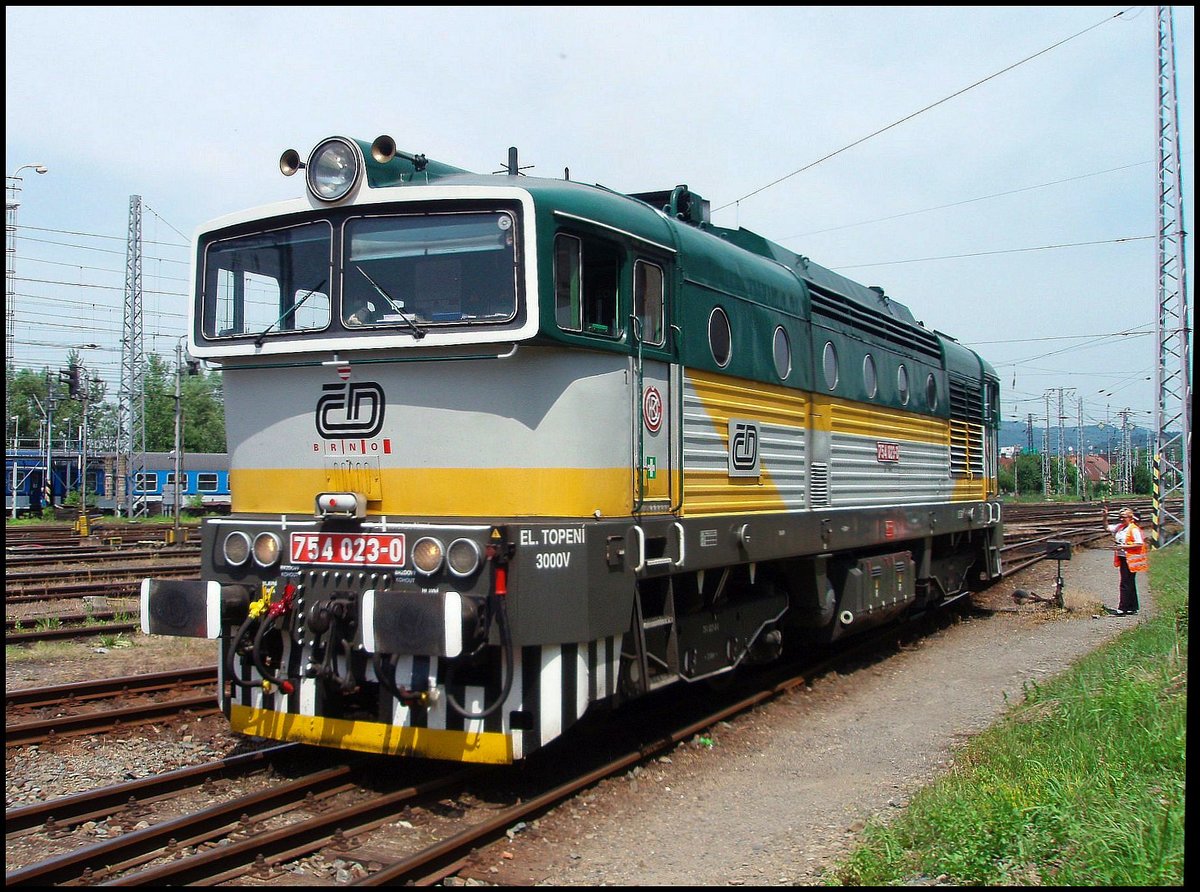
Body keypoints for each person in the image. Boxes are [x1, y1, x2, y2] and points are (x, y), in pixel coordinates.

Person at [1103, 504, 1146, 615]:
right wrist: (1105, 517)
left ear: (1130, 518)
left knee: (1125, 583)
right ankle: (1132, 606)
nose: (1121, 519)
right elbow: (1107, 528)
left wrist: (1123, 547)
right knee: (1129, 582)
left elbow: (1139, 543)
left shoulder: (1134, 529)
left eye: (1124, 517)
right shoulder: (1120, 527)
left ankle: (1123, 607)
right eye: (1120, 517)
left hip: (1131, 559)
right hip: (1123, 557)